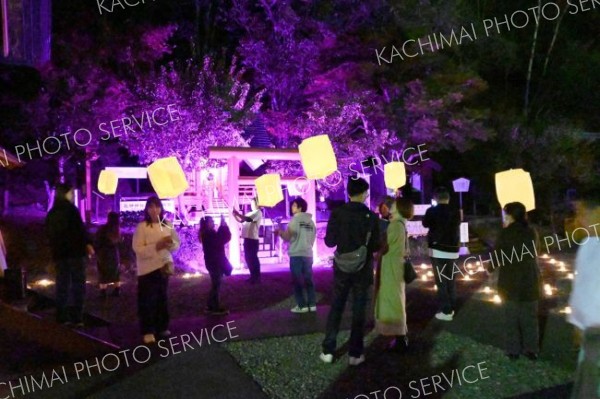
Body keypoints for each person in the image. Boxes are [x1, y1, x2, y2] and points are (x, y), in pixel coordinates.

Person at [320, 177, 381, 365]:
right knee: (359, 309)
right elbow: (376, 245)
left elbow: (329, 242)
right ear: (364, 194)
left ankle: (329, 350)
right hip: (363, 269)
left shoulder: (338, 213)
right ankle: (355, 353)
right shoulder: (371, 217)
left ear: (348, 193)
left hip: (341, 267)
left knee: (337, 306)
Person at [494, 202, 541, 360]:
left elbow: (497, 256)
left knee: (511, 317)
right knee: (530, 317)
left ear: (510, 215)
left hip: (510, 281)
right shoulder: (531, 231)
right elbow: (536, 251)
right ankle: (531, 349)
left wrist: (489, 268)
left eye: (506, 213)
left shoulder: (505, 233)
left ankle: (513, 350)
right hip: (530, 279)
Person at [132, 196, 180, 344]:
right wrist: (155, 246)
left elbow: (177, 243)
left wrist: (170, 245)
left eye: (157, 206)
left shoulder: (167, 225)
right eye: (151, 207)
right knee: (147, 300)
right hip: (147, 269)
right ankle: (147, 330)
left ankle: (162, 326)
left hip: (163, 266)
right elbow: (137, 248)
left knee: (162, 298)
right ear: (147, 209)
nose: (154, 210)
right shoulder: (142, 227)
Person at [45, 183, 94, 326]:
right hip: (75, 254)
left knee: (62, 285)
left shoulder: (52, 213)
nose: (72, 196)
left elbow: (50, 236)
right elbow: (80, 231)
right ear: (65, 194)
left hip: (60, 255)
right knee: (78, 285)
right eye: (71, 193)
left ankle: (62, 316)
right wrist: (88, 244)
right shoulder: (72, 211)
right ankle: (77, 317)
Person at [568, 198, 600, 398]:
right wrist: (577, 323)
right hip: (590, 336)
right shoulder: (588, 243)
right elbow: (582, 286)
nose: (578, 220)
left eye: (582, 213)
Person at [375, 197, 414, 352]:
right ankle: (399, 335)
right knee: (396, 298)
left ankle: (400, 336)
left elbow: (386, 246)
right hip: (396, 265)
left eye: (394, 205)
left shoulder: (396, 225)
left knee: (394, 300)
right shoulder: (400, 223)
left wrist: (378, 251)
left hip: (391, 266)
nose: (391, 206)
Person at [422, 187, 461, 321]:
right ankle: (453, 306)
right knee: (451, 280)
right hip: (453, 249)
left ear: (436, 199)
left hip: (437, 249)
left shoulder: (432, 211)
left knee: (441, 281)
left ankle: (446, 310)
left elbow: (425, 224)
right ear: (448, 198)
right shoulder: (456, 211)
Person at [276, 197, 317, 314]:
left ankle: (302, 305)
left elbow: (287, 237)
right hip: (308, 254)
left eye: (294, 205)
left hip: (296, 254)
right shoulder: (311, 222)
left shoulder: (294, 221)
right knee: (309, 279)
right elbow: (312, 238)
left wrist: (280, 232)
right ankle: (312, 304)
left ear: (299, 208)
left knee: (297, 281)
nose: (292, 207)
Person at [200, 215, 232, 316]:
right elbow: (221, 240)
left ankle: (212, 305)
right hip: (214, 263)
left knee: (216, 284)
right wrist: (223, 226)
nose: (213, 222)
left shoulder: (209, 233)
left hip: (214, 262)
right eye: (211, 221)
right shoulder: (208, 234)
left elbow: (222, 238)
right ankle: (213, 307)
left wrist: (223, 226)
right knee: (216, 285)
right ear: (206, 224)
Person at [233, 197, 262, 284]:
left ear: (257, 204)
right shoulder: (249, 213)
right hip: (247, 238)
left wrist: (238, 214)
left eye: (253, 203)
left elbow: (248, 219)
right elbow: (241, 221)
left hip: (253, 239)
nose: (252, 205)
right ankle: (253, 276)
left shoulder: (258, 212)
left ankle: (256, 277)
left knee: (253, 258)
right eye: (251, 203)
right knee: (248, 258)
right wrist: (235, 215)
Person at [94, 212, 122, 298]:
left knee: (102, 272)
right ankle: (117, 290)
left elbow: (97, 240)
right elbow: (119, 242)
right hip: (114, 253)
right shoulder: (117, 230)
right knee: (116, 272)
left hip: (103, 254)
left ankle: (103, 292)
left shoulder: (103, 229)